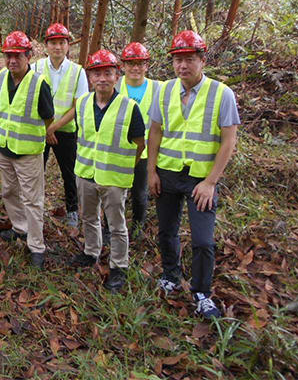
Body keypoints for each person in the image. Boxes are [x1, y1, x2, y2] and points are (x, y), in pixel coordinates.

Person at [148, 30, 240, 319]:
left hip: (201, 179)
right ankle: (171, 275)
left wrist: (211, 182)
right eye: (177, 60)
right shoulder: (164, 91)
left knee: (203, 240)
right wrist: (151, 170)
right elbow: (156, 132)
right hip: (168, 172)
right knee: (167, 230)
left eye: (189, 59)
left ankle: (201, 292)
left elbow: (228, 141)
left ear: (202, 60)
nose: (182, 66)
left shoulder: (221, 93)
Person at [70, 50, 145, 292]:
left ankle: (118, 266)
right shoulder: (81, 104)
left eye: (107, 73)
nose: (102, 78)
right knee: (89, 218)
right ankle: (91, 252)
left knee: (116, 225)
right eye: (97, 73)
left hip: (114, 178)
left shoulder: (129, 107)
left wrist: (122, 168)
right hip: (86, 173)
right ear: (90, 77)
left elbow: (139, 144)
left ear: (116, 76)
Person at [0, 31, 54, 269]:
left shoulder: (39, 83)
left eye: (17, 56)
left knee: (33, 200)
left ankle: (37, 246)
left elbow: (49, 118)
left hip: (28, 153)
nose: (12, 61)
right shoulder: (0, 78)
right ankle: (20, 229)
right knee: (9, 192)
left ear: (28, 56)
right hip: (5, 148)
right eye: (8, 56)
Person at [32, 23, 88, 227]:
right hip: (40, 131)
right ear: (46, 45)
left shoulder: (78, 71)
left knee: (70, 173)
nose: (57, 47)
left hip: (65, 131)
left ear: (68, 46)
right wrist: (46, 129)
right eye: (53, 43)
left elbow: (77, 106)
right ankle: (35, 208)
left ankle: (72, 211)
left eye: (62, 43)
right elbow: (31, 100)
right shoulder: (36, 67)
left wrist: (53, 127)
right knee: (37, 171)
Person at [116, 42, 161, 237]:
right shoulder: (115, 85)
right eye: (131, 63)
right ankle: (113, 227)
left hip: (144, 151)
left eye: (140, 63)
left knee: (139, 191)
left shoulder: (158, 88)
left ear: (147, 65)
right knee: (115, 190)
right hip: (118, 149)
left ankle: (137, 227)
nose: (135, 68)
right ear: (123, 65)